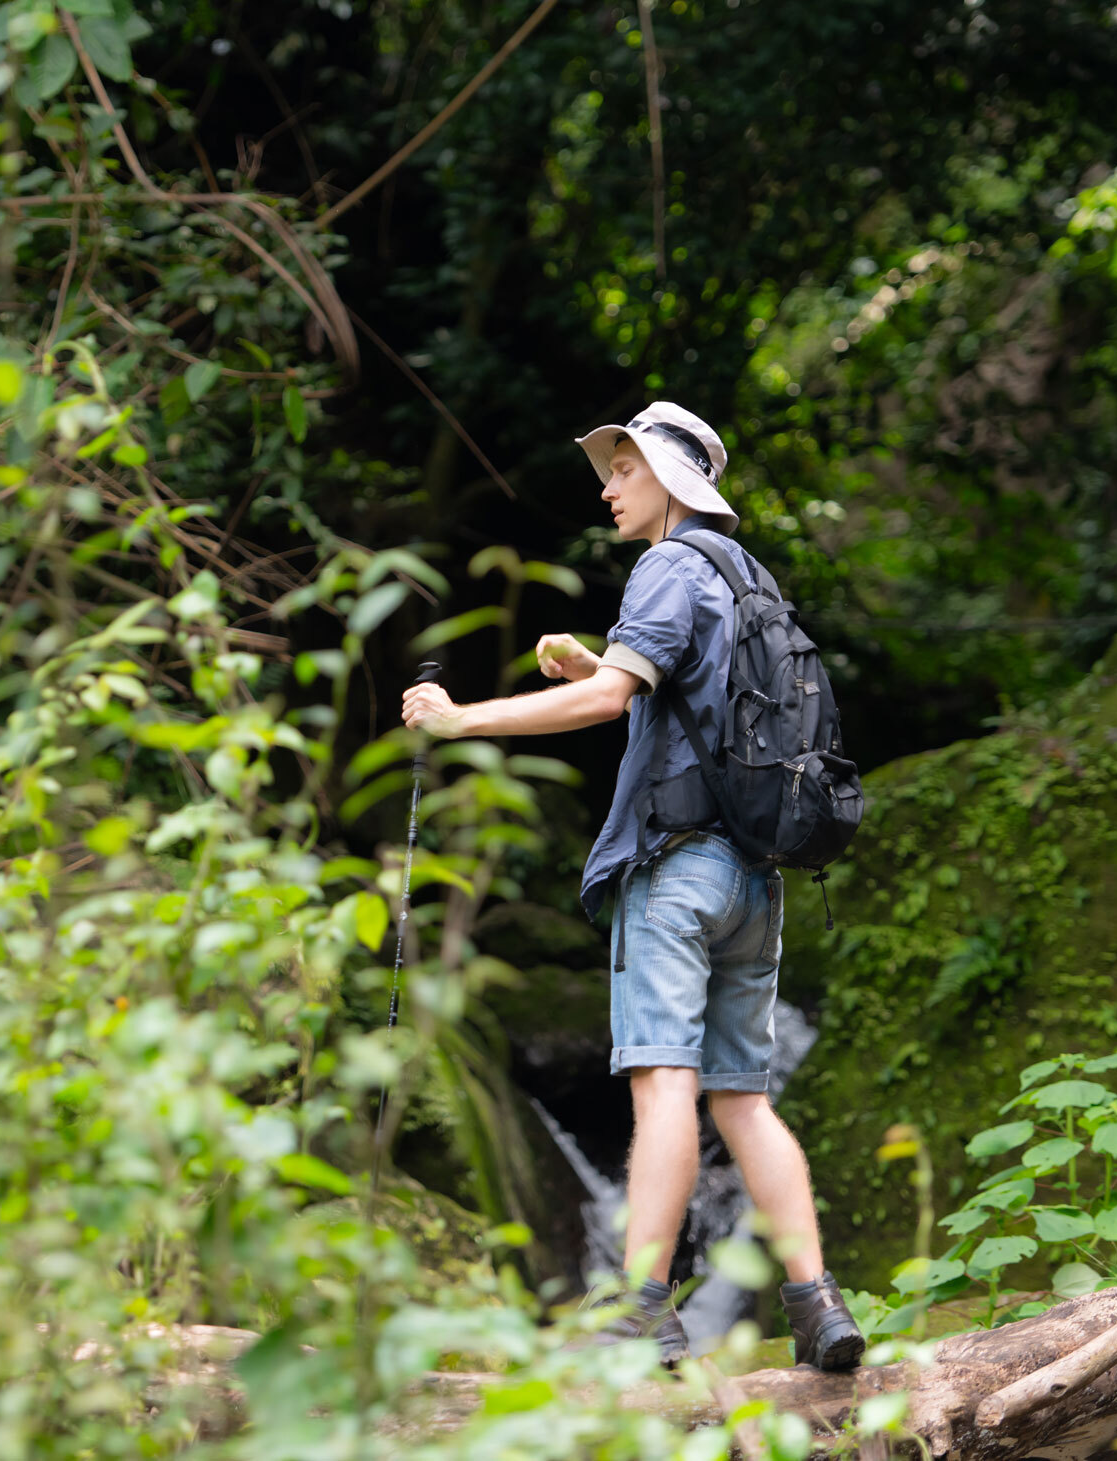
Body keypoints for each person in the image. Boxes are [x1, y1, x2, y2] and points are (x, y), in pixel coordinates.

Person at [400, 402, 863, 1372]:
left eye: (622, 470)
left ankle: (643, 1312)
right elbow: (675, 710)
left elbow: (610, 702)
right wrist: (594, 662)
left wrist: (456, 721)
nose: (608, 490)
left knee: (664, 1090)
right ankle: (815, 1306)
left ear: (669, 477)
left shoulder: (666, 566)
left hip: (674, 877)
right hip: (754, 878)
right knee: (743, 1101)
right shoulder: (751, 584)